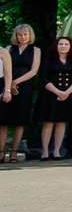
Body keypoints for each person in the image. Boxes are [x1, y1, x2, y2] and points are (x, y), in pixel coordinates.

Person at [37, 37, 72, 159]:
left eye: (66, 44)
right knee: (49, 123)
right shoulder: (49, 60)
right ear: (56, 46)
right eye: (60, 44)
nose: (63, 46)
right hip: (50, 95)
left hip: (67, 95)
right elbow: (43, 78)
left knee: (61, 123)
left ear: (70, 46)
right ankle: (45, 151)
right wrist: (58, 92)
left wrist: (66, 93)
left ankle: (57, 151)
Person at [0, 24, 38, 163]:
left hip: (24, 87)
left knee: (19, 121)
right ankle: (1, 151)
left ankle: (14, 152)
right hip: (7, 86)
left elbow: (33, 71)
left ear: (30, 35)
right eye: (20, 34)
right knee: (3, 121)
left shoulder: (35, 50)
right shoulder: (8, 49)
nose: (23, 37)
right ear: (16, 36)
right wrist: (9, 85)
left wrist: (16, 82)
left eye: (25, 34)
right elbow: (5, 69)